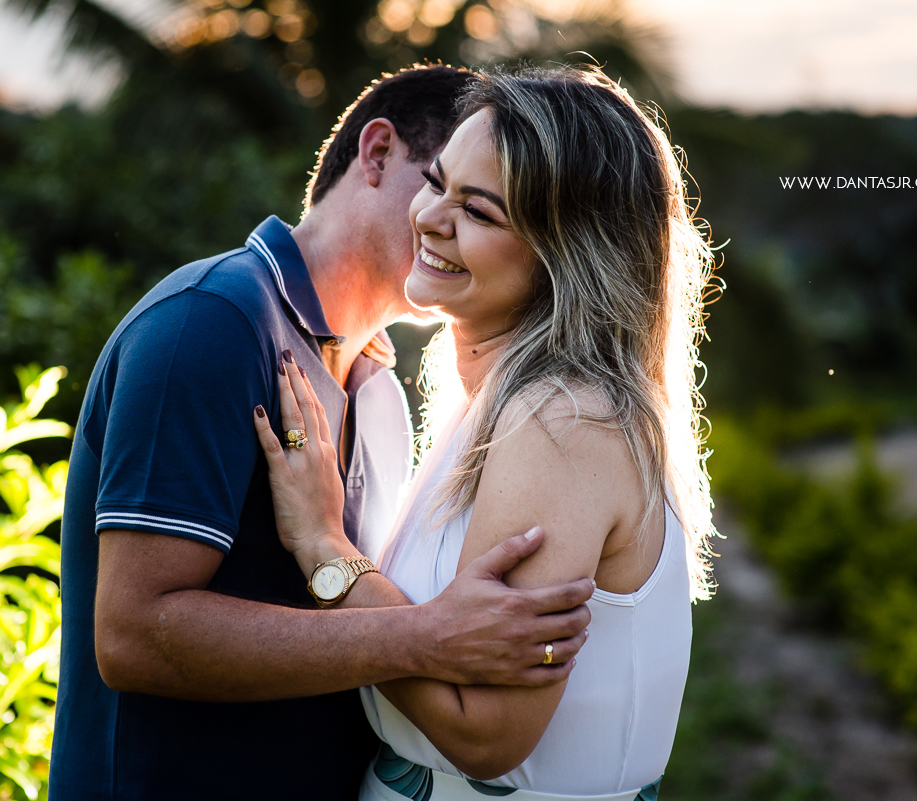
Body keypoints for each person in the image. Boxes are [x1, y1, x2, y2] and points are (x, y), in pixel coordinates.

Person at [49, 65, 596, 801]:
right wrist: (431, 633)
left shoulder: (378, 378)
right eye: (440, 185)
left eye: (489, 210)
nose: (449, 223)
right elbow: (133, 634)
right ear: (375, 154)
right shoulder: (211, 325)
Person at [252, 66, 717, 800]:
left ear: (566, 256)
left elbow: (487, 734)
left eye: (480, 211)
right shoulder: (491, 401)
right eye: (435, 182)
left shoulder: (567, 419)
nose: (431, 217)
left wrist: (324, 547)